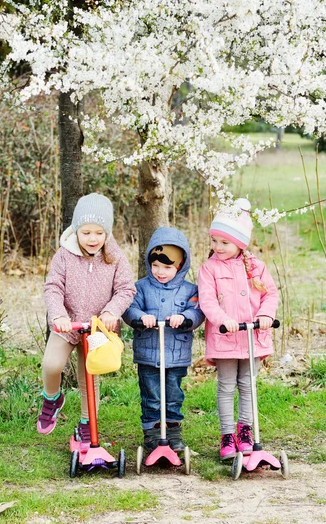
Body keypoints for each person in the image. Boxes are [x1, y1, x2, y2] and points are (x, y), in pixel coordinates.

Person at [37, 193, 136, 441]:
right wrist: (58, 315)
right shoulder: (64, 255)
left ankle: (86, 422)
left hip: (97, 328)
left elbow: (126, 289)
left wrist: (111, 312)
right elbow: (53, 287)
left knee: (89, 377)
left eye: (99, 233)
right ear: (76, 230)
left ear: (107, 233)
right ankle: (52, 398)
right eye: (86, 232)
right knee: (52, 364)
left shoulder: (115, 257)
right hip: (68, 324)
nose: (93, 239)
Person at [197, 199, 279, 461]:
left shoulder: (256, 267)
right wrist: (223, 319)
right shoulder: (209, 269)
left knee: (248, 384)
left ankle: (245, 431)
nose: (218, 247)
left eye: (225, 242)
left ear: (240, 243)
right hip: (226, 338)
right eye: (215, 241)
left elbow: (270, 294)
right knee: (226, 386)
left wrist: (265, 315)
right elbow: (207, 300)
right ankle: (226, 435)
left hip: (253, 336)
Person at [123, 227, 204, 453]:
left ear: (179, 266)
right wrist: (141, 317)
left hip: (176, 354)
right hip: (148, 354)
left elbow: (197, 311)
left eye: (167, 267)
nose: (160, 271)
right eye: (155, 265)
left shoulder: (190, 290)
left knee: (173, 395)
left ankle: (173, 430)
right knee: (151, 395)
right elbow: (129, 308)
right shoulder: (140, 288)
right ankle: (152, 432)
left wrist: (185, 318)